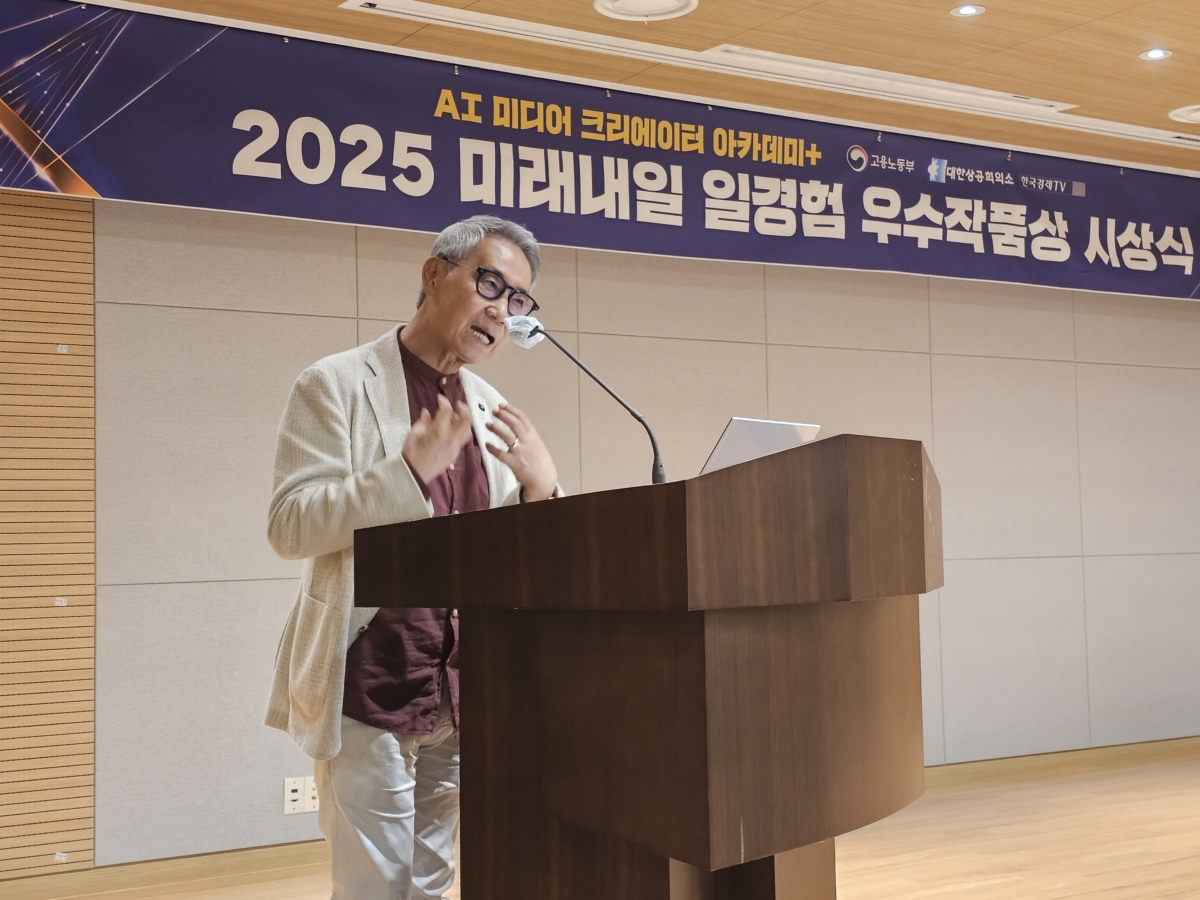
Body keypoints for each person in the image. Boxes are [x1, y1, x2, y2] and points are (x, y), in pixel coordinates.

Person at [264, 215, 560, 900]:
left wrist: (541, 488)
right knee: (377, 888)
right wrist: (403, 475)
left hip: (459, 687)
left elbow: (521, 556)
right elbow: (290, 525)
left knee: (430, 880)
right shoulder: (336, 383)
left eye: (518, 299)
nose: (503, 311)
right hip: (372, 679)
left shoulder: (489, 406)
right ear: (433, 275)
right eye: (491, 284)